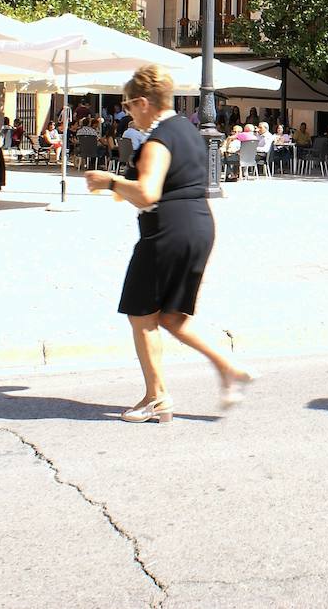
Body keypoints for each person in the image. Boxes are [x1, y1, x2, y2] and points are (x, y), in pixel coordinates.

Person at [83, 66, 252, 422]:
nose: (128, 112)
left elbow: (148, 192)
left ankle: (156, 397)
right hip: (198, 226)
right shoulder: (189, 132)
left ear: (144, 103)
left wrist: (110, 182)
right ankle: (230, 368)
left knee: (140, 313)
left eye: (129, 106)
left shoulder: (159, 139)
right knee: (173, 318)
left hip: (168, 232)